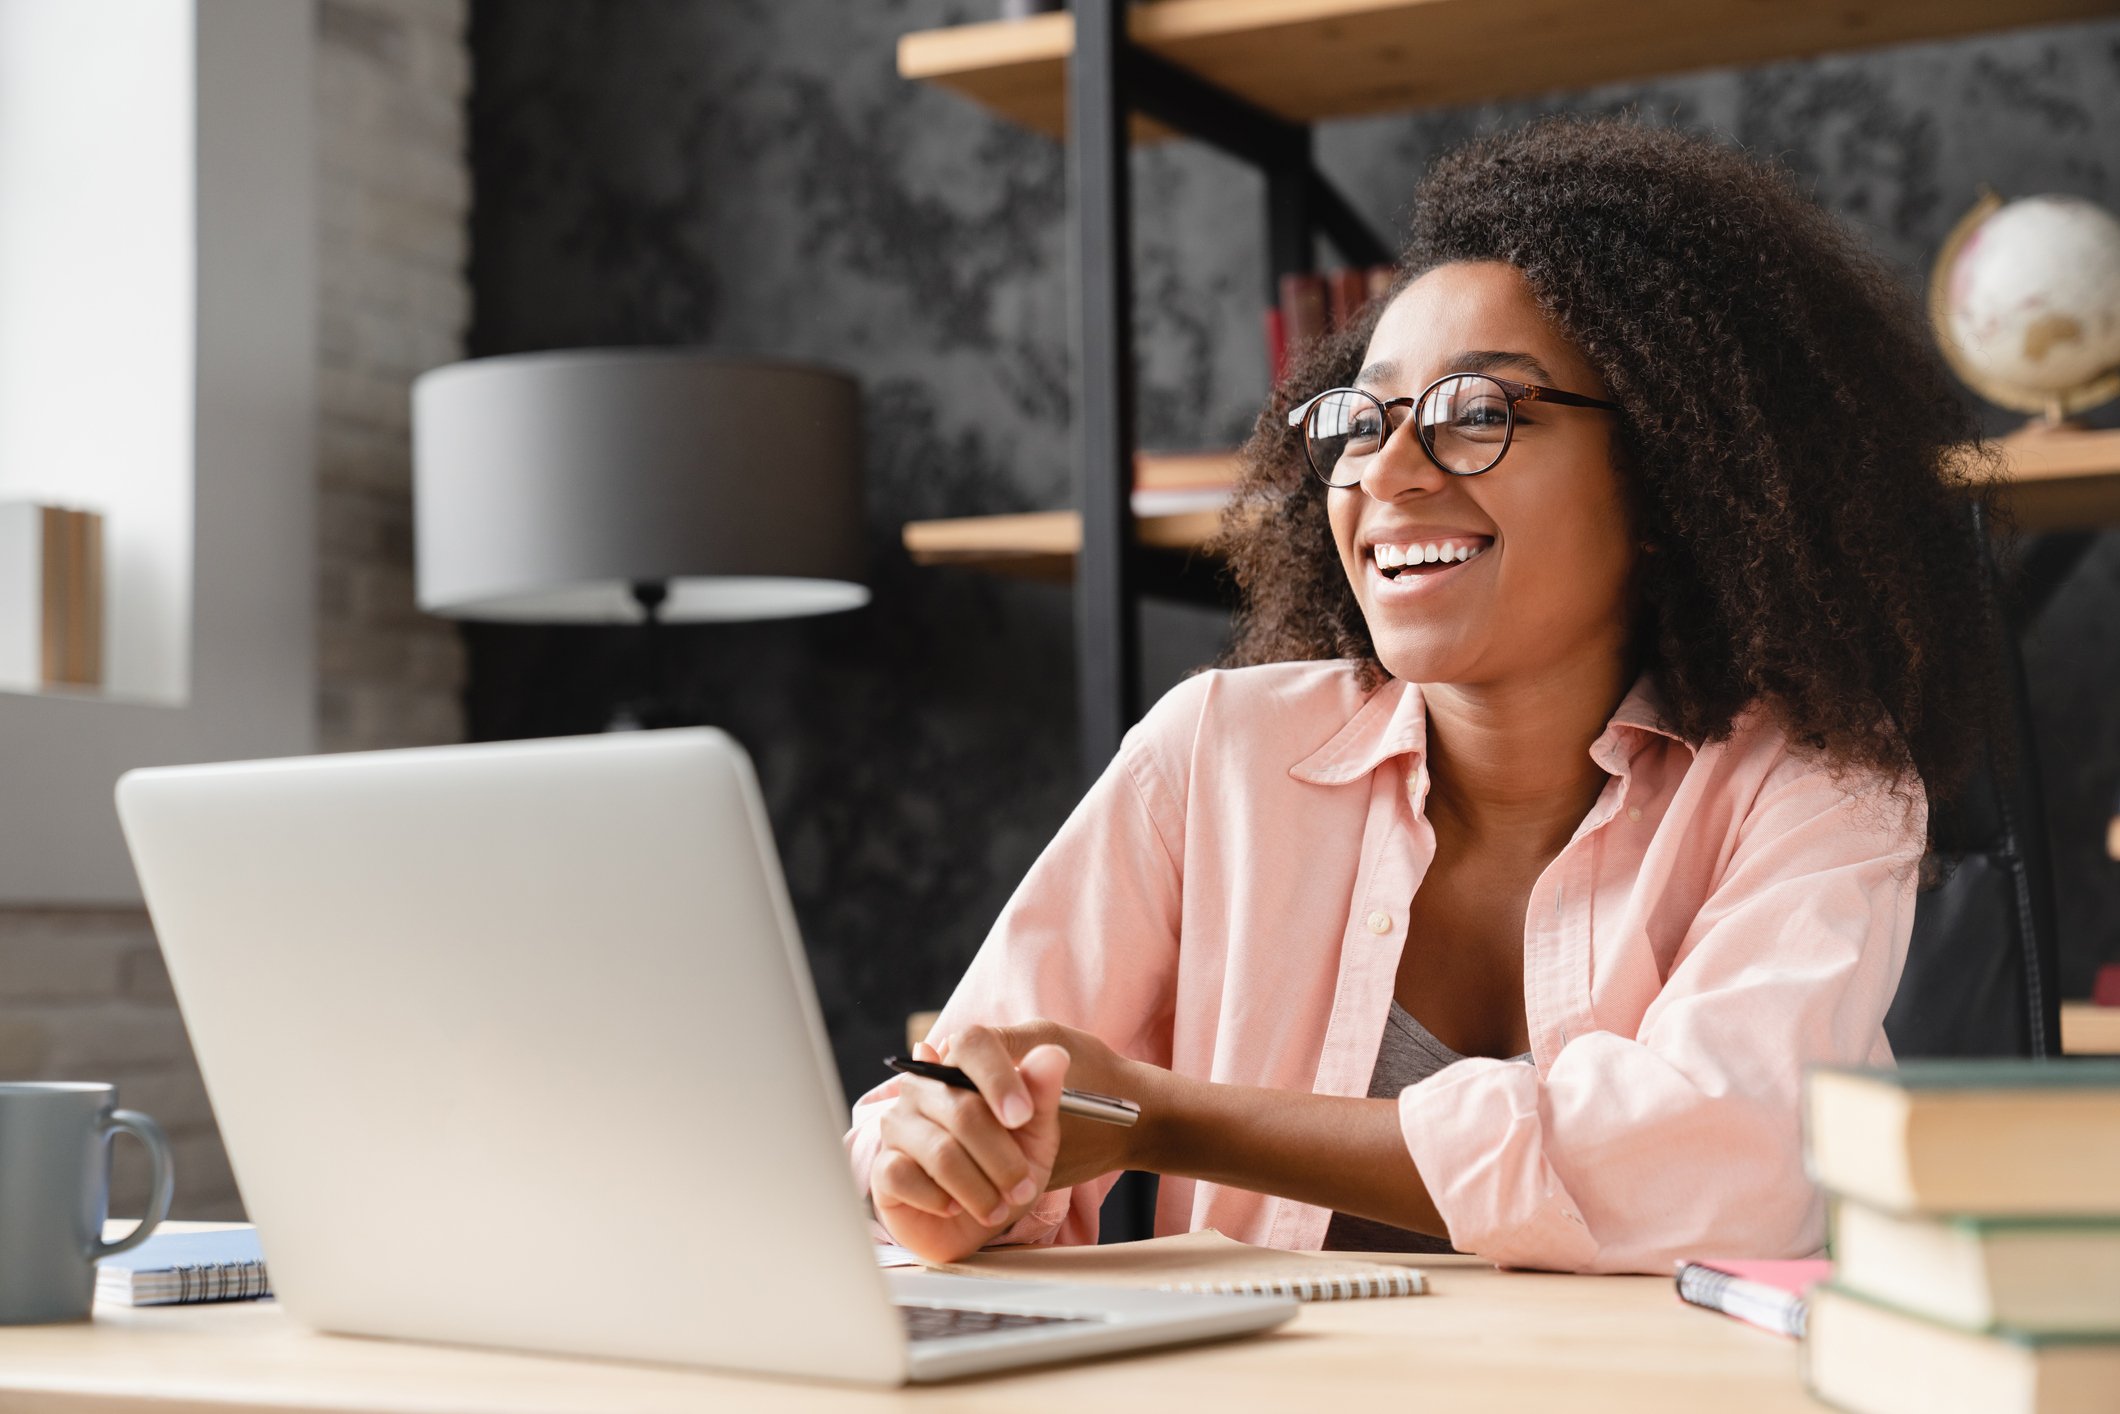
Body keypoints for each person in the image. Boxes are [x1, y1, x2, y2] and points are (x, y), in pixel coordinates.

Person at [844, 115, 2008, 1274]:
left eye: (1476, 414)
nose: (1389, 474)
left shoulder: (1812, 786)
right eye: (1361, 417)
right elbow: (955, 1107)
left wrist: (1167, 1115)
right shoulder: (1214, 756)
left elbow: (1724, 1167)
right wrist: (943, 1168)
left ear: (1666, 479)